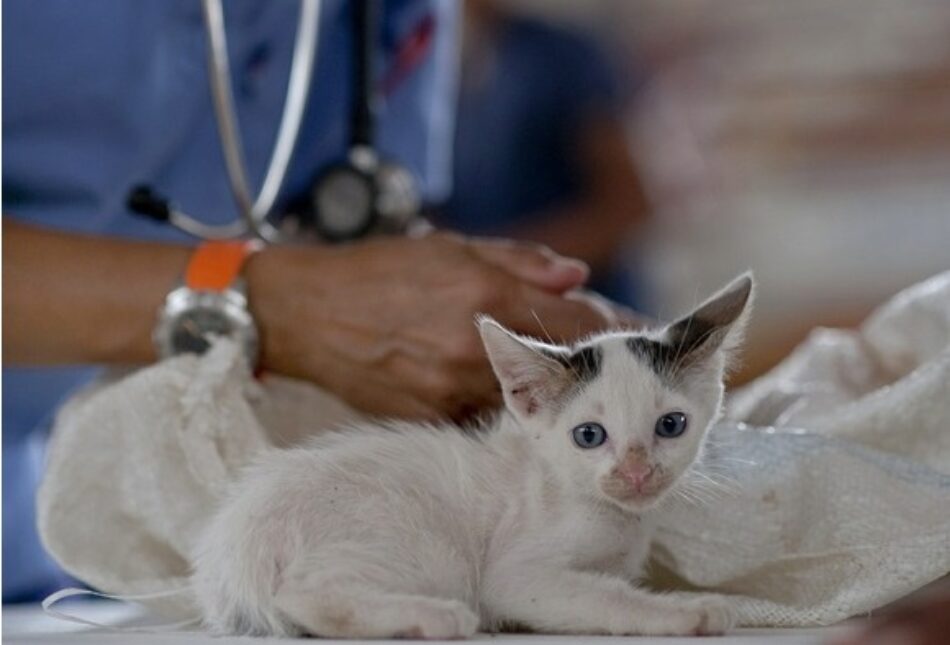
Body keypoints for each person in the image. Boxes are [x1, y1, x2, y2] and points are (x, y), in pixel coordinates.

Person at [2, 0, 619, 603]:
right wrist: (269, 304)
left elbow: (366, 217)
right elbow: (316, 296)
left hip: (130, 559)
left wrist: (451, 320)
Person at [435, 0, 650, 304]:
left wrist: (510, 266)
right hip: (491, 313)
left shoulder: (560, 58)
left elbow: (625, 204)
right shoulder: (423, 71)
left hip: (583, 308)